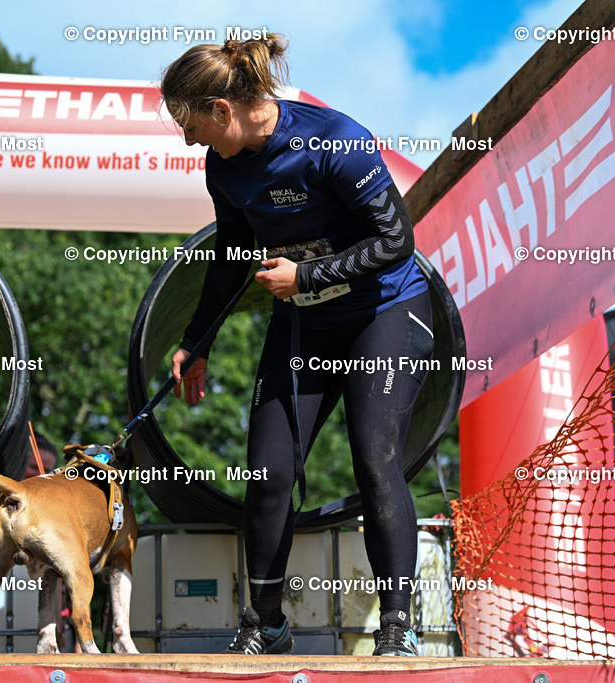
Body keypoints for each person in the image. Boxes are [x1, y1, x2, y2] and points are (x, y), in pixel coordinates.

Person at [161, 33, 434, 657]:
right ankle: (265, 625)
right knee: (268, 472)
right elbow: (230, 257)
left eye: (190, 124)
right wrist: (195, 340)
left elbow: (397, 242)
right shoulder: (223, 166)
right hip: (305, 326)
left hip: (383, 315)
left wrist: (306, 276)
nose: (188, 140)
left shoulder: (335, 141)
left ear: (222, 110)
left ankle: (397, 626)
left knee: (374, 457)